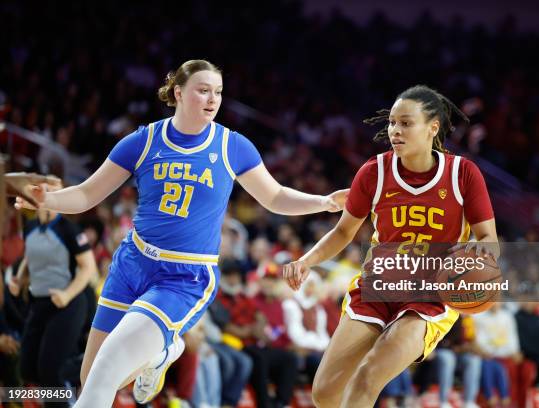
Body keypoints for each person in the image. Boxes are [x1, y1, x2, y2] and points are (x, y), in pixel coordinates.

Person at [14, 59, 347, 408]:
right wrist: (46, 199)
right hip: (132, 264)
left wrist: (323, 202)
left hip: (183, 277)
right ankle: (164, 353)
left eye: (217, 92)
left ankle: (162, 349)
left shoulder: (232, 146)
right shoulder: (143, 140)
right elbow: (86, 194)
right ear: (178, 93)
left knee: (105, 371)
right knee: (92, 377)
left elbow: (275, 196)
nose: (212, 99)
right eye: (203, 90)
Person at [283, 85, 498, 407]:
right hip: (378, 286)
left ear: (433, 128)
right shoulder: (373, 171)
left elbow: (488, 239)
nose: (395, 131)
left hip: (430, 294)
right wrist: (307, 260)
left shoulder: (463, 173)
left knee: (368, 376)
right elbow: (343, 232)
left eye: (406, 123)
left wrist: (475, 261)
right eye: (392, 123)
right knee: (325, 392)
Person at [9, 180, 97, 406]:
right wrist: (19, 278)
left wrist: (67, 294)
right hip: (40, 302)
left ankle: (67, 394)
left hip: (67, 304)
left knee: (50, 370)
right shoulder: (30, 228)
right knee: (27, 366)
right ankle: (62, 392)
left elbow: (88, 268)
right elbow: (30, 257)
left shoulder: (69, 229)